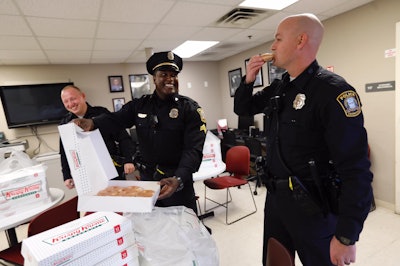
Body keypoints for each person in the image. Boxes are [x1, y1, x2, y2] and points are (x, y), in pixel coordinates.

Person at [234, 13, 373, 266]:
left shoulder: (333, 92)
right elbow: (243, 108)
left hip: (313, 205)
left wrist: (346, 236)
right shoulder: (281, 86)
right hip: (276, 201)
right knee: (275, 261)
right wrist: (248, 80)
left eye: (277, 39)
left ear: (300, 40)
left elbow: (356, 170)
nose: (272, 46)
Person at [73, 51, 207, 214]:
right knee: (153, 227)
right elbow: (116, 119)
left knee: (185, 229)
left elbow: (193, 150)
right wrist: (93, 123)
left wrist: (178, 179)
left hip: (176, 182)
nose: (170, 79)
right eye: (164, 74)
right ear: (154, 78)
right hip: (148, 181)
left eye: (174, 75)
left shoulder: (190, 109)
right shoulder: (140, 105)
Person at [59, 85, 135, 189]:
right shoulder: (65, 123)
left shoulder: (102, 113)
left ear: (83, 96)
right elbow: (65, 152)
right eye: (66, 101)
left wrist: (128, 159)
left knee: (119, 201)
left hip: (111, 169)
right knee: (95, 204)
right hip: (86, 175)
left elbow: (123, 137)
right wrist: (66, 176)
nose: (70, 104)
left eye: (73, 99)